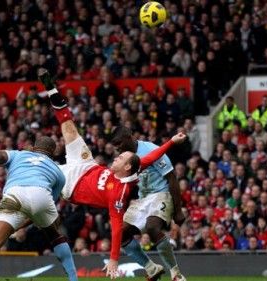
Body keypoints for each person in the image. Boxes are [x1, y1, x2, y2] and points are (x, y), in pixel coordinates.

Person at [38, 68, 187, 279]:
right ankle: (51, 88)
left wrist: (114, 260)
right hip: (86, 165)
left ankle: (175, 273)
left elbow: (115, 228)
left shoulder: (118, 194)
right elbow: (152, 157)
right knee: (69, 127)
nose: (115, 155)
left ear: (127, 166)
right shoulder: (133, 164)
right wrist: (172, 141)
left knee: (36, 170)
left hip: (69, 183)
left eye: (119, 155)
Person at [0, 137, 77, 281]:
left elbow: (0, 155)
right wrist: (21, 225)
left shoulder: (19, 154)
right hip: (41, 195)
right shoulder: (58, 172)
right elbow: (41, 208)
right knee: (55, 234)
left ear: (33, 148)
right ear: (53, 152)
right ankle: (73, 278)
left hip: (14, 194)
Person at [110, 126, 187, 281]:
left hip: (161, 194)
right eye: (115, 145)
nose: (117, 148)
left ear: (130, 137)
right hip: (142, 198)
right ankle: (151, 268)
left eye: (119, 143)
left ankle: (175, 273)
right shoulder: (125, 158)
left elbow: (171, 177)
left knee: (152, 227)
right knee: (120, 233)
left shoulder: (150, 149)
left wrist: (178, 210)